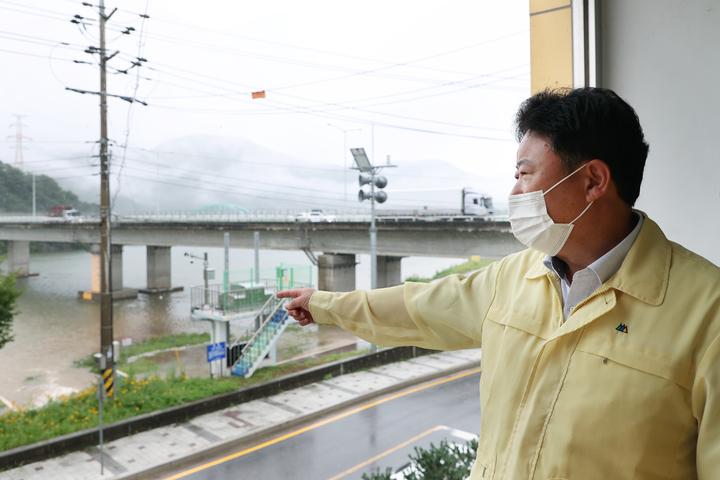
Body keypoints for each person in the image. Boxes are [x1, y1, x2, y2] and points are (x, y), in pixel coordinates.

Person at [277, 88, 720, 480]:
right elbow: (419, 306)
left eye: (524, 174)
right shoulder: (514, 278)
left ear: (592, 181)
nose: (513, 194)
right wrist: (324, 304)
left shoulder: (707, 312)